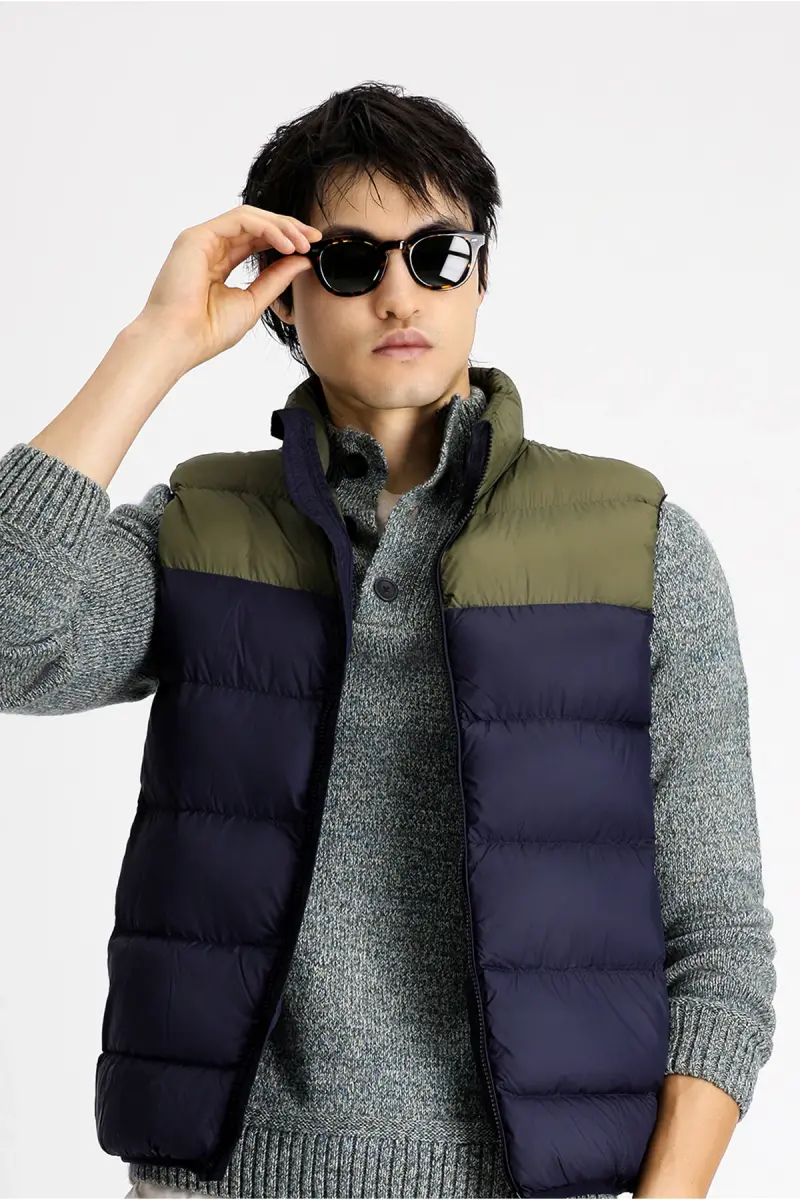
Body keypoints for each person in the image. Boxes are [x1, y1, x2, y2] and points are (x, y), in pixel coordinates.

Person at [0, 81, 776, 1200]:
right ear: (281, 299)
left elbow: (718, 944)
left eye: (438, 255)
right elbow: (13, 637)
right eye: (350, 261)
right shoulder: (203, 528)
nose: (400, 294)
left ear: (482, 275)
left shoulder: (637, 546)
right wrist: (154, 345)